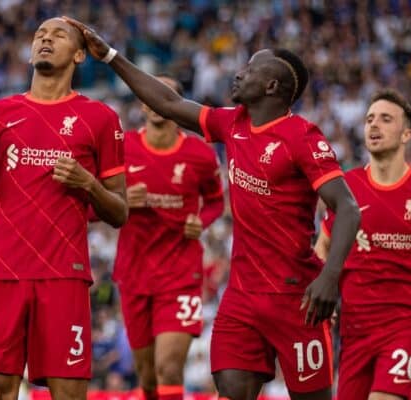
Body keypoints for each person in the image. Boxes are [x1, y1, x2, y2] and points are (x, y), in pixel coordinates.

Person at [64, 17, 360, 400]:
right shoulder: (231, 124)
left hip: (295, 297)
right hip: (240, 299)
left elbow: (348, 208)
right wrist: (111, 57)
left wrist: (330, 279)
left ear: (271, 86)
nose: (238, 75)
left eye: (250, 70)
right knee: (229, 390)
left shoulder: (302, 136)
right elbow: (168, 103)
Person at [0, 17, 127, 400]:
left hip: (64, 273)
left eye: (58, 35)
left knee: (69, 390)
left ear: (79, 54)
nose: (45, 39)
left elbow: (120, 212)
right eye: (40, 35)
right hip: (1, 271)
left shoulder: (100, 118)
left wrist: (87, 183)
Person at [114, 76, 224, 400]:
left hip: (181, 275)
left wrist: (200, 221)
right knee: (147, 377)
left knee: (169, 368)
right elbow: (99, 201)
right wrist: (121, 199)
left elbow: (217, 201)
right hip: (134, 274)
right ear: (142, 102)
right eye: (152, 94)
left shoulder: (200, 155)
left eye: (168, 95)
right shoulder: (123, 147)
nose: (159, 101)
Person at [315, 89, 411, 400]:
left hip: (407, 326)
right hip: (354, 332)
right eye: (369, 119)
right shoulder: (347, 187)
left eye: (386, 119)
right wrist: (323, 289)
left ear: (406, 134)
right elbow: (322, 246)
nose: (374, 125)